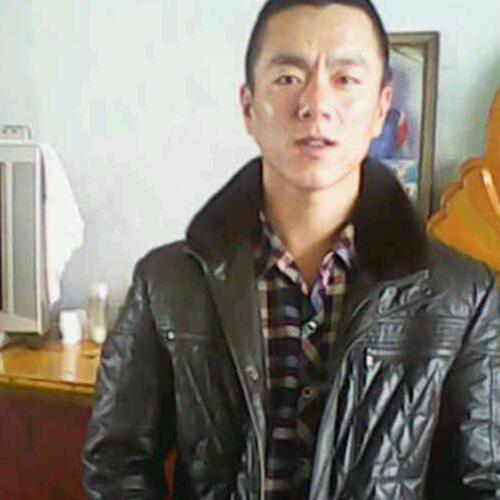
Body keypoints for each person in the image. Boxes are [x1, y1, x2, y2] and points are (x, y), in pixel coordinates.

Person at [82, 0, 500, 498]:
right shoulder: (168, 283)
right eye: (287, 78)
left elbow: (484, 481)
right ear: (248, 108)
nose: (315, 103)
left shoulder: (464, 295)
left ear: (380, 108)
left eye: (345, 79)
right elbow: (117, 464)